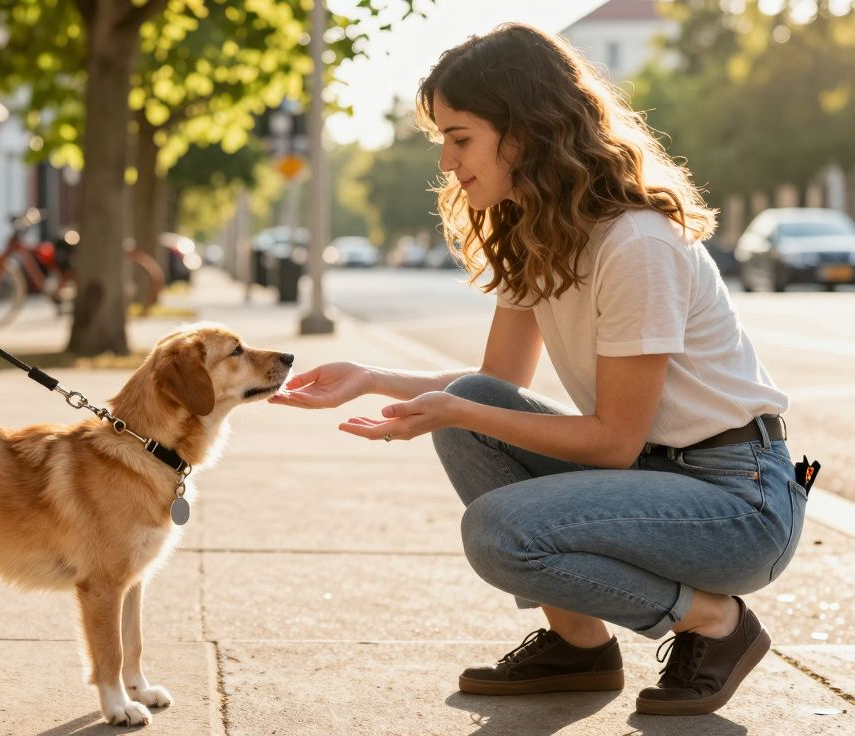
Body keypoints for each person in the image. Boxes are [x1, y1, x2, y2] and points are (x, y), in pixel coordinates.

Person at [270, 23, 804, 717]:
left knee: (499, 531)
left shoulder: (636, 243)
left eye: (460, 139)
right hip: (655, 476)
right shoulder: (540, 235)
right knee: (475, 406)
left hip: (741, 503)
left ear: (521, 135)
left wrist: (457, 408)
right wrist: (371, 377)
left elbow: (612, 439)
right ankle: (578, 646)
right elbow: (495, 387)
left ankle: (715, 622)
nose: (447, 163)